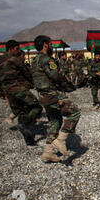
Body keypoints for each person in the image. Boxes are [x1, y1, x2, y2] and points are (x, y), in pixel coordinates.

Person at [31, 35, 80, 163]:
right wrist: (70, 86)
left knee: (55, 121)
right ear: (45, 45)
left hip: (43, 96)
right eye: (51, 44)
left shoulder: (35, 60)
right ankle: (61, 140)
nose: (52, 46)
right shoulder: (47, 59)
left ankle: (48, 152)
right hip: (52, 95)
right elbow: (56, 76)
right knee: (74, 112)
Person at [0, 40, 43, 145]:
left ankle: (29, 139)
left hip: (8, 91)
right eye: (16, 49)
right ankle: (25, 124)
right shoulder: (15, 60)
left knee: (20, 112)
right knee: (37, 107)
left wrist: (0, 92)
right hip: (18, 88)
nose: (18, 51)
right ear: (10, 49)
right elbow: (27, 73)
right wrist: (36, 85)